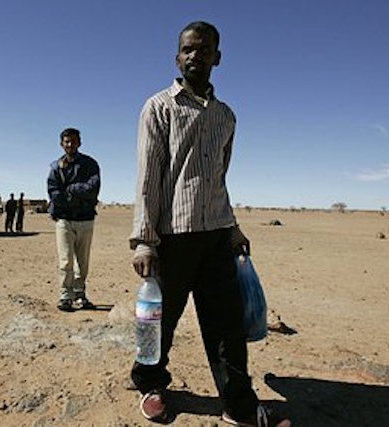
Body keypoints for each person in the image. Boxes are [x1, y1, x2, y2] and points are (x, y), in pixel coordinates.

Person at [129, 22, 290, 426]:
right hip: (172, 238)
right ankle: (150, 384)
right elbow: (148, 179)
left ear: (217, 57)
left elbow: (219, 178)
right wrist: (145, 240)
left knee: (227, 327)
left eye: (203, 50)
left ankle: (238, 405)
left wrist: (232, 227)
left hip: (217, 237)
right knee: (159, 322)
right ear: (176, 57)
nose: (194, 56)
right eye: (187, 49)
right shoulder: (159, 108)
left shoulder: (226, 116)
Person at [47, 128, 101, 312]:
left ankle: (79, 294)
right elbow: (54, 193)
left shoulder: (90, 164)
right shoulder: (56, 167)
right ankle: (65, 296)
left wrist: (71, 189)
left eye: (73, 141)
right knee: (66, 261)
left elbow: (92, 188)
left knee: (83, 262)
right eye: (67, 141)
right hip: (64, 220)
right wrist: (74, 199)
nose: (70, 144)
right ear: (61, 144)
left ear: (79, 143)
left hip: (86, 219)